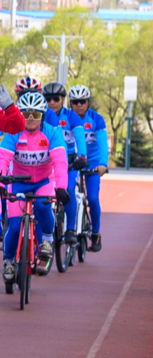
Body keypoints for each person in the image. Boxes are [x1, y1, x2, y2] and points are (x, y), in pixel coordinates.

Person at [0, 91, 67, 269]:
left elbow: (60, 162)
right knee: (13, 227)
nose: (30, 119)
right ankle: (9, 262)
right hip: (18, 182)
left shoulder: (52, 133)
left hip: (42, 182)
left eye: (35, 114)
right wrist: (0, 182)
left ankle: (47, 240)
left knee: (44, 206)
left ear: (42, 116)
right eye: (25, 114)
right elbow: (3, 158)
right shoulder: (14, 133)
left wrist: (61, 187)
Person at [65, 84, 109, 250]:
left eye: (82, 101)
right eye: (75, 102)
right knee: (67, 192)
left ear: (88, 102)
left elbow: (103, 143)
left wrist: (103, 164)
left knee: (92, 198)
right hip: (73, 163)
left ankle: (96, 233)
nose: (78, 105)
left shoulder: (96, 119)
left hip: (93, 164)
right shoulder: (66, 118)